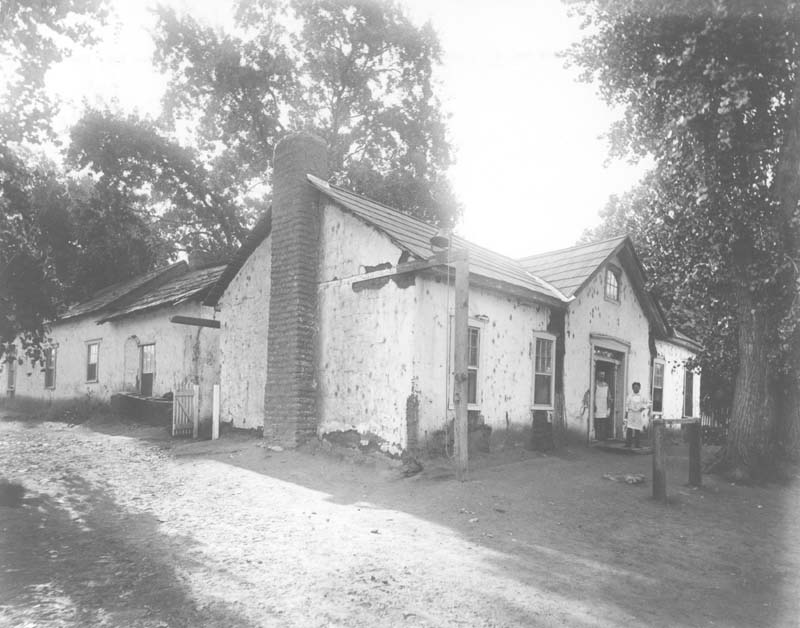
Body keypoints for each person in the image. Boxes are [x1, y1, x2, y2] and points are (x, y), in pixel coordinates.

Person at [625, 381, 649, 448]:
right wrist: (626, 413)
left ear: (639, 388)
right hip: (631, 413)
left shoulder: (642, 396)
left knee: (637, 429)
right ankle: (628, 444)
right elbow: (627, 405)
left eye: (637, 387)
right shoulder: (630, 396)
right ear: (632, 388)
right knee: (629, 428)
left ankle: (637, 444)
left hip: (638, 414)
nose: (636, 389)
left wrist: (643, 408)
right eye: (635, 387)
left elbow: (648, 403)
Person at [594, 370, 612, 441]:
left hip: (604, 404)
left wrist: (609, 404)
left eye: (603, 375)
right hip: (597, 403)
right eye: (601, 375)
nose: (602, 376)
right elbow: (592, 394)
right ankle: (597, 436)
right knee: (598, 420)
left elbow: (608, 395)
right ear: (598, 375)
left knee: (603, 421)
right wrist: (594, 404)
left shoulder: (606, 385)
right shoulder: (595, 384)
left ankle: (602, 436)